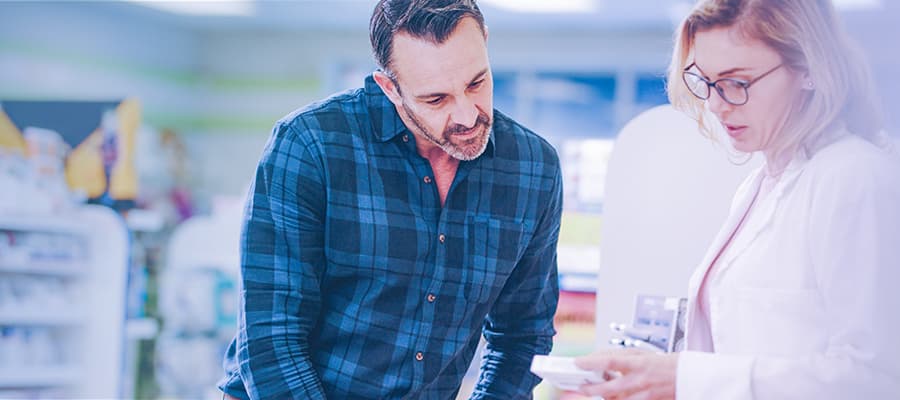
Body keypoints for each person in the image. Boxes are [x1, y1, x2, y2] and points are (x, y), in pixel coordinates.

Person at [218, 0, 563, 398]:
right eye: (436, 99)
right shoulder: (311, 146)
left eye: (476, 83)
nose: (468, 117)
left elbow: (522, 337)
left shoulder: (533, 169)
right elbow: (271, 338)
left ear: (485, 42)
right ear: (390, 88)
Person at [574, 0, 900, 399]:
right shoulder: (760, 184)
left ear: (810, 69)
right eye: (706, 82)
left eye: (737, 82)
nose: (715, 104)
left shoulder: (854, 178)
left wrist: (687, 379)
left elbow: (878, 377)